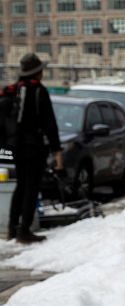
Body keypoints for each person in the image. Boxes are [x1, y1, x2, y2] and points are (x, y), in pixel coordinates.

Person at [3, 53, 63, 243]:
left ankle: (12, 228)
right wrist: (57, 151)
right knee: (31, 187)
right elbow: (49, 124)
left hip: (15, 146)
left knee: (20, 186)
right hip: (33, 147)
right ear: (37, 72)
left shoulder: (12, 90)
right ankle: (25, 230)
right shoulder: (38, 91)